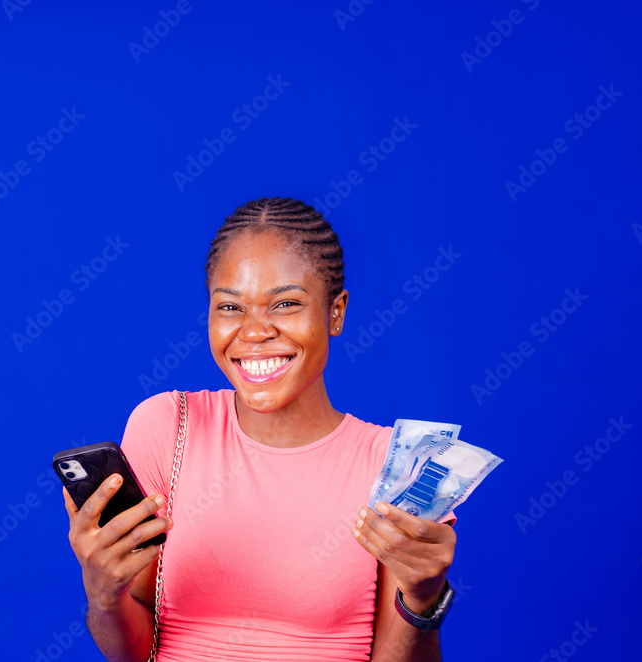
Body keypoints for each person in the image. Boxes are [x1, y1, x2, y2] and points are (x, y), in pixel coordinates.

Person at [63, 197, 458, 662]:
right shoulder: (166, 425)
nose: (253, 332)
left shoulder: (400, 464)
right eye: (230, 307)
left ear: (335, 312)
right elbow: (131, 653)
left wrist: (423, 600)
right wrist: (103, 593)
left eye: (285, 303)